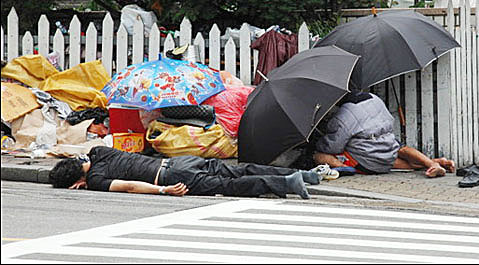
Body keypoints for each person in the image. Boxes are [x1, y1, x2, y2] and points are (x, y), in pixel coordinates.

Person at [49, 146, 321, 199]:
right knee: (240, 169)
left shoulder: (96, 180)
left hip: (172, 178)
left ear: (75, 182)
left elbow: (129, 186)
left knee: (230, 185)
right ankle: (304, 174)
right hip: (180, 162)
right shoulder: (99, 151)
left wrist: (164, 190)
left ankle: (288, 182)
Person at [314, 91, 455, 178]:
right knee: (401, 149)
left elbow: (333, 147)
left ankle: (343, 168)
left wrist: (319, 141)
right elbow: (389, 120)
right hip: (388, 148)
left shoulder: (343, 115)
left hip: (367, 160)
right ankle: (433, 163)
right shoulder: (374, 98)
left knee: (320, 155)